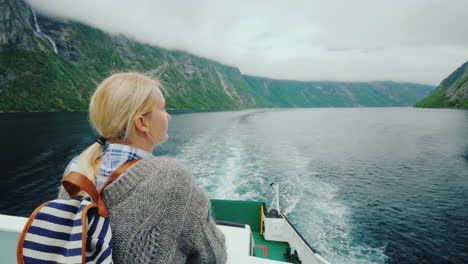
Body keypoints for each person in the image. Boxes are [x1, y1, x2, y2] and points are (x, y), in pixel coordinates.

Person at [57, 72, 227, 263]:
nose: (168, 116)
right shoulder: (173, 177)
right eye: (162, 109)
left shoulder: (76, 170)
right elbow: (213, 256)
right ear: (142, 123)